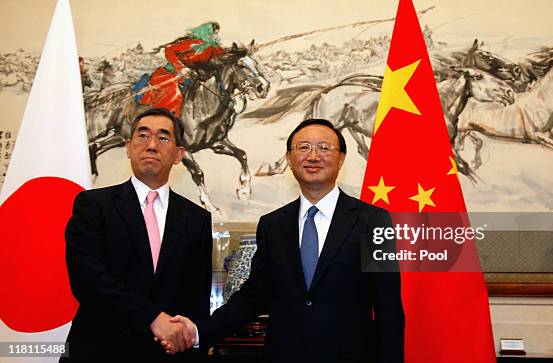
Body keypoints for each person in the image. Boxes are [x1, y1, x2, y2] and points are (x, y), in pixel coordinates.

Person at [165, 119, 404, 362]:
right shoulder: (273, 225)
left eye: (324, 147)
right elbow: (253, 296)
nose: (313, 156)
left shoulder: (374, 220)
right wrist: (197, 331)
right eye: (303, 148)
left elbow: (389, 307)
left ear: (341, 159)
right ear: (289, 159)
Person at [62, 107, 212, 362]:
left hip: (169, 354)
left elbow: (197, 298)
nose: (151, 145)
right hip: (100, 349)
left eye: (163, 137)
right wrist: (152, 317)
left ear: (178, 155)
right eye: (143, 136)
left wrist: (191, 339)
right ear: (128, 147)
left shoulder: (197, 218)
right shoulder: (93, 205)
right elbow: (88, 279)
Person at [139, 22, 226, 117]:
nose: (215, 35)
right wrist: (181, 68)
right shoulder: (193, 43)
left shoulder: (213, 47)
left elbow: (225, 56)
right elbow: (169, 50)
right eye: (213, 32)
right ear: (206, 32)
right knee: (175, 92)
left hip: (195, 75)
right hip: (173, 73)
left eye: (216, 33)